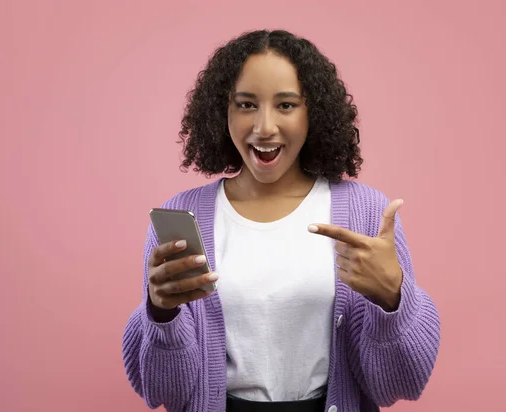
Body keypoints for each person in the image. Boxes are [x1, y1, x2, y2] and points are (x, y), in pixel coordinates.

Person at [122, 29, 441, 412]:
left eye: (286, 105)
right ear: (222, 111)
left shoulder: (366, 213)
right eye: (246, 104)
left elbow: (400, 385)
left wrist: (392, 301)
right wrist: (161, 315)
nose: (264, 127)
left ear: (314, 113)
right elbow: (163, 394)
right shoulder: (181, 219)